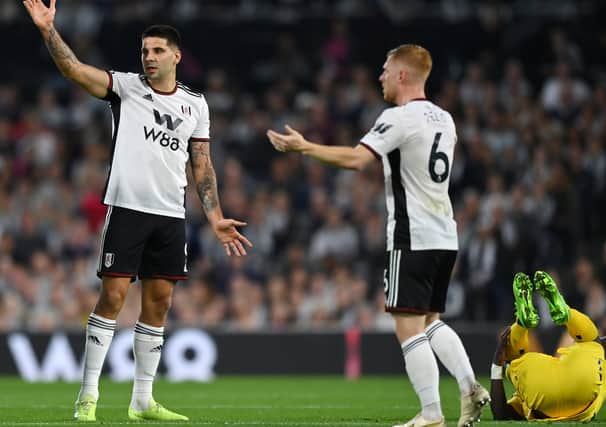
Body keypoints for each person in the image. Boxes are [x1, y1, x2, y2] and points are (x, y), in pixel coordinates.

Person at [22, 0, 252, 422]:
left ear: (176, 56)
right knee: (112, 296)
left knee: (160, 303)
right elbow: (73, 68)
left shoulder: (195, 105)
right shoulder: (125, 88)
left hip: (171, 215)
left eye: (157, 50)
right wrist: (47, 30)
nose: (148, 57)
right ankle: (87, 397)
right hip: (128, 209)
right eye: (145, 50)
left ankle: (142, 401)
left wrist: (215, 215)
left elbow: (201, 164)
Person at [267, 44, 489, 427]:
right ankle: (470, 388)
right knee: (431, 320)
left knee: (407, 326)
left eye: (385, 69)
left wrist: (305, 148)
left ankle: (431, 413)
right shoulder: (446, 119)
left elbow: (356, 160)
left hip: (412, 235)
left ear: (403, 75)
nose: (380, 76)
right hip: (445, 235)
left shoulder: (400, 117)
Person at [490, 271, 606, 422]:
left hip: (541, 391)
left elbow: (500, 414)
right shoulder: (602, 375)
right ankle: (566, 313)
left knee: (514, 358)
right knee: (591, 339)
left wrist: (496, 364)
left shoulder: (523, 395)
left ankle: (522, 323)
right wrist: (592, 342)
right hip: (584, 387)